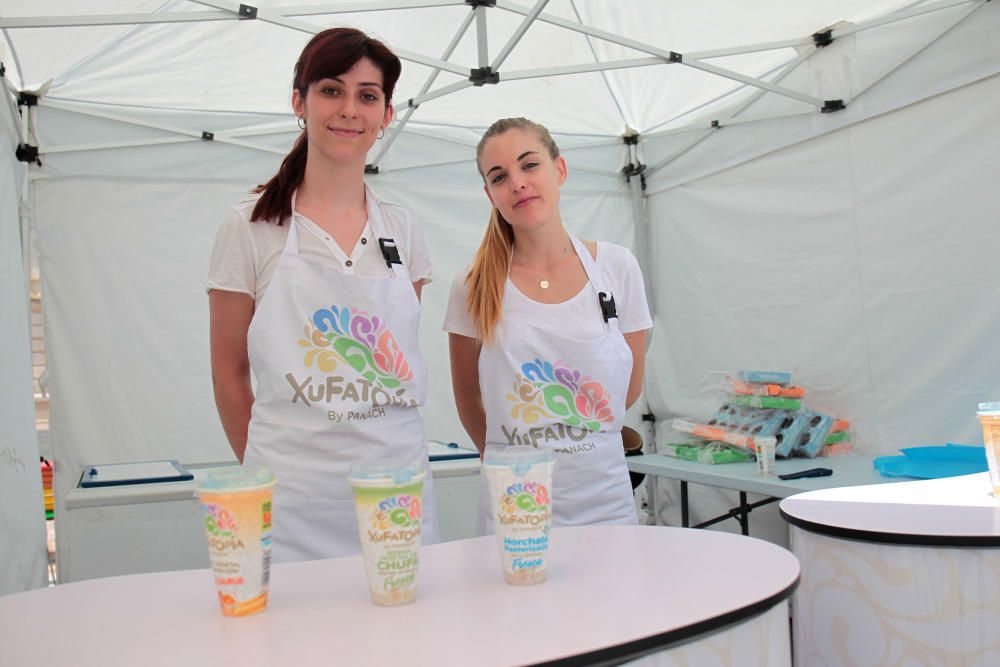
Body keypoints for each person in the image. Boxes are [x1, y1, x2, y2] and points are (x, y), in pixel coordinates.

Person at [207, 28, 437, 562]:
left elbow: (394, 360)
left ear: (385, 115)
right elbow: (228, 373)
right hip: (291, 507)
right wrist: (270, 477)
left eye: (367, 95)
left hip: (397, 495)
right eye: (332, 90)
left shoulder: (404, 232)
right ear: (299, 102)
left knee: (405, 641)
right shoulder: (249, 227)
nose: (349, 110)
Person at [443, 117, 652, 533]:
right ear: (490, 194)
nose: (517, 183)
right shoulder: (473, 285)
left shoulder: (616, 268)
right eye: (500, 176)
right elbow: (468, 398)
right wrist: (512, 462)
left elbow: (628, 388)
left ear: (560, 169)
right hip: (514, 508)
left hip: (605, 503)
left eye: (529, 165)